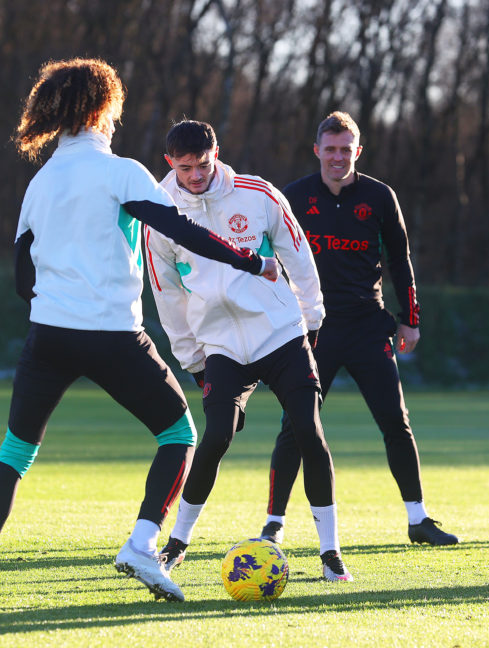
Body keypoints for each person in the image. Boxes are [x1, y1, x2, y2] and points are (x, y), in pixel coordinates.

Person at [0, 60, 276, 603]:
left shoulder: (39, 183)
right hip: (111, 334)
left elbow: (21, 279)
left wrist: (60, 296)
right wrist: (252, 263)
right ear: (103, 109)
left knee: (14, 453)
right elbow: (183, 231)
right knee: (179, 436)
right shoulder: (121, 172)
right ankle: (142, 543)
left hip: (47, 336)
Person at [147, 120, 353, 582]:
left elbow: (299, 256)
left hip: (280, 333)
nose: (196, 175)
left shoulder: (257, 193)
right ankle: (177, 543)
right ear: (170, 164)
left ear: (216, 152)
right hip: (220, 345)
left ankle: (330, 552)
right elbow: (167, 294)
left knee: (307, 429)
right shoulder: (158, 212)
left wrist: (311, 319)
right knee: (216, 435)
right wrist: (192, 359)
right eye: (185, 168)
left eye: (203, 164)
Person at [259, 111, 458, 547]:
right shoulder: (292, 198)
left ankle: (418, 519)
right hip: (314, 330)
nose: (337, 157)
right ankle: (273, 523)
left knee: (395, 423)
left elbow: (400, 261)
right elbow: (269, 260)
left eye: (346, 149)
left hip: (369, 326)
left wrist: (411, 319)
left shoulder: (379, 197)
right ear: (317, 150)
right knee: (296, 426)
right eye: (330, 149)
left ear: (358, 151)